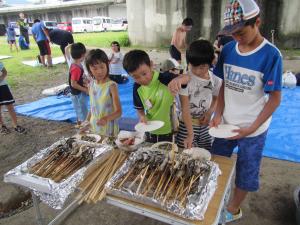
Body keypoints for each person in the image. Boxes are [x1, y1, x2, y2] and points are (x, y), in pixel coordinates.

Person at [210, 0, 282, 223]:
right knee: (217, 163)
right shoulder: (229, 49)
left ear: (257, 22)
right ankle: (213, 200)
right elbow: (222, 84)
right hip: (226, 122)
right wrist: (218, 113)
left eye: (241, 33)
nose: (236, 38)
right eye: (232, 34)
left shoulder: (271, 55)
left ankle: (232, 209)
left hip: (253, 128)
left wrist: (251, 128)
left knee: (246, 172)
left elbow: (275, 99)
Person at [123, 50, 190, 143]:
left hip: (168, 130)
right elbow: (139, 109)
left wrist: (178, 80)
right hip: (149, 130)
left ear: (151, 65)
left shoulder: (165, 78)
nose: (142, 79)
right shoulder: (137, 87)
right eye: (136, 77)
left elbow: (187, 78)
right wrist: (142, 116)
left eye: (144, 74)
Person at [176, 40, 222, 150]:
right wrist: (190, 134)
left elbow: (216, 99)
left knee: (205, 153)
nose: (196, 71)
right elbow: (185, 109)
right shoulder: (185, 80)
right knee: (187, 153)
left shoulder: (216, 80)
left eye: (202, 67)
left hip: (205, 124)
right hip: (186, 126)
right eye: (193, 66)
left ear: (211, 62)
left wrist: (209, 112)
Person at [84, 49, 122, 137]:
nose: (99, 71)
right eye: (95, 68)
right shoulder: (91, 84)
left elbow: (118, 112)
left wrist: (106, 119)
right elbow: (92, 107)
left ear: (107, 65)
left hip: (108, 128)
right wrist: (86, 121)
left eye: (102, 67)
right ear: (89, 69)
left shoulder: (112, 86)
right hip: (94, 127)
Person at [0, 62, 26, 134]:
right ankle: (2, 126)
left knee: (10, 107)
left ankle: (16, 125)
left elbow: (4, 72)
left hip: (2, 87)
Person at [69, 43, 89, 127]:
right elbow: (73, 84)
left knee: (81, 111)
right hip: (78, 94)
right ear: (82, 54)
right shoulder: (76, 68)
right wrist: (86, 90)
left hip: (79, 93)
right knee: (82, 113)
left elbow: (79, 78)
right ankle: (83, 129)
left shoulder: (77, 64)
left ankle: (80, 125)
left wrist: (86, 79)